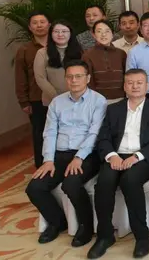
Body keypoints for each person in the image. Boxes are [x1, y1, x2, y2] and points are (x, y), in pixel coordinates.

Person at [87, 69, 149, 259]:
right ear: (124, 86)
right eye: (130, 83)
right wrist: (111, 156)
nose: (135, 86)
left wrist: (137, 157)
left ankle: (142, 237)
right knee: (104, 183)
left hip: (143, 157)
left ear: (147, 86)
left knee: (130, 181)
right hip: (117, 155)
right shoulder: (113, 109)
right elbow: (103, 138)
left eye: (139, 83)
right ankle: (105, 236)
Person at [25, 60, 105, 247]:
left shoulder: (98, 101)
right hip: (59, 154)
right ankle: (57, 222)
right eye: (70, 77)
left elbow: (94, 133)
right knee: (35, 188)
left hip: (87, 154)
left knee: (71, 183)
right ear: (65, 79)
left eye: (78, 76)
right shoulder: (57, 102)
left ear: (88, 78)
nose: (74, 80)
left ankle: (85, 226)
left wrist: (79, 157)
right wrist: (48, 160)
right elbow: (49, 132)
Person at [15, 11, 51, 167]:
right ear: (30, 27)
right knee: (40, 134)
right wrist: (23, 101)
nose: (39, 25)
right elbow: (20, 77)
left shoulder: (59, 44)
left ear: (49, 25)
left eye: (42, 22)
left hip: (60, 97)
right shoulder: (24, 50)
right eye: (35, 23)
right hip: (37, 99)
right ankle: (41, 167)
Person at [34, 21, 83, 107]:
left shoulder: (80, 52)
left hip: (78, 100)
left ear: (70, 33)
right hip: (53, 101)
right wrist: (58, 98)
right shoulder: (42, 53)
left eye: (64, 31)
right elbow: (40, 78)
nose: (60, 34)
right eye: (56, 31)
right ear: (51, 34)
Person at [82, 20, 127, 103]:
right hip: (98, 101)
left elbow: (126, 76)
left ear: (113, 34)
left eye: (107, 31)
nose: (103, 34)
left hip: (121, 99)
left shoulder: (121, 54)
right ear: (93, 34)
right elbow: (88, 81)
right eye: (99, 31)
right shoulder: (87, 55)